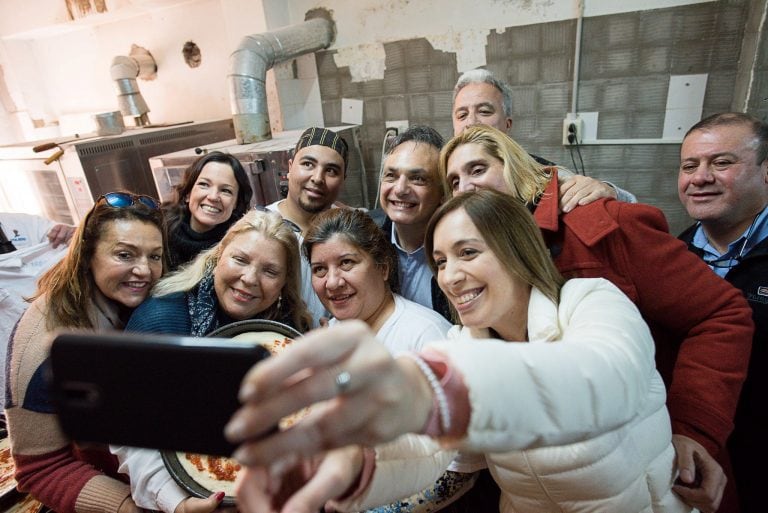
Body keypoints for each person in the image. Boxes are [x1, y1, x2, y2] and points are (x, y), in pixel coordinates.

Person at [225, 190, 692, 513]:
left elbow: (604, 380)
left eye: (468, 253)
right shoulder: (463, 342)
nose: (449, 277)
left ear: (516, 249)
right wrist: (359, 458)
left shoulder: (591, 301)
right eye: (441, 262)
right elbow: (431, 451)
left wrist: (432, 390)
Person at [439, 124, 754, 513]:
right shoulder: (473, 279)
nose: (465, 187)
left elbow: (720, 313)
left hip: (659, 463)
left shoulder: (600, 225)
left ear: (517, 167)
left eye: (477, 169)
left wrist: (695, 430)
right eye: (453, 180)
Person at [111, 208, 311, 513]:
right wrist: (177, 503)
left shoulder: (287, 332)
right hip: (189, 491)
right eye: (240, 260)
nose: (249, 279)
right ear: (219, 256)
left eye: (270, 271)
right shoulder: (162, 320)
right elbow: (131, 433)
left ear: (284, 282)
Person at [4, 192, 165, 513]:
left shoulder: (132, 301)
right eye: (124, 255)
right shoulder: (44, 347)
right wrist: (127, 507)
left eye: (155, 256)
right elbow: (42, 468)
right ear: (87, 254)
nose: (144, 270)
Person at [677, 112, 768, 513]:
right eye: (689, 166)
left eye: (722, 162)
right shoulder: (672, 256)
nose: (700, 177)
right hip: (700, 452)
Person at [451, 68, 637, 211]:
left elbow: (630, 207)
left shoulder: (547, 178)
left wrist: (609, 192)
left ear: (508, 124)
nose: (472, 123)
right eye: (462, 115)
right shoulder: (440, 181)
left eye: (484, 111)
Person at [304, 207, 450, 351]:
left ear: (383, 267)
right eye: (320, 269)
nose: (332, 283)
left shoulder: (427, 336)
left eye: (346, 263)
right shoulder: (330, 334)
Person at [266, 126, 349, 326]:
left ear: (343, 180)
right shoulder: (262, 227)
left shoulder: (349, 230)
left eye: (331, 170)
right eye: (308, 164)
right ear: (290, 167)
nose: (318, 178)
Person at [370, 125, 451, 319]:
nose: (400, 189)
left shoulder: (459, 254)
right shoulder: (366, 245)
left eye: (418, 179)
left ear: (442, 193)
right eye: (391, 175)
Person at [1, 213, 76, 414]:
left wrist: (72, 235)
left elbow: (72, 238)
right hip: (11, 380)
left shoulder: (26, 225)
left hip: (60, 357)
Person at [163, 151, 253, 270]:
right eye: (204, 184)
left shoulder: (242, 245)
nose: (213, 197)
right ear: (188, 194)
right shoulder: (161, 230)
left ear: (236, 203)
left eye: (226, 190)